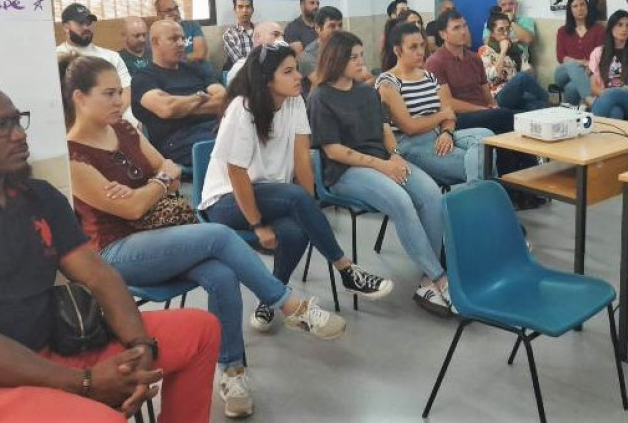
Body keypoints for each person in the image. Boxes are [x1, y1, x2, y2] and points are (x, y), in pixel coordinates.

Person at [60, 56, 346, 419]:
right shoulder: (72, 156)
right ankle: (288, 304)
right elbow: (131, 209)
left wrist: (156, 182)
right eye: (109, 94)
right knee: (219, 236)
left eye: (120, 92)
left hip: (161, 236)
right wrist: (158, 183)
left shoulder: (126, 131)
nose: (120, 101)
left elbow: (172, 168)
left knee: (222, 275)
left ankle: (233, 373)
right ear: (79, 98)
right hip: (117, 254)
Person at [0, 72, 220, 423]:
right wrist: (85, 383)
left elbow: (99, 275)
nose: (19, 133)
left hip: (59, 346)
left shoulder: (38, 196)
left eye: (16, 120)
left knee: (200, 330)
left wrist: (140, 347)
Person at [202, 42, 394, 330]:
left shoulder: (295, 102)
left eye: (297, 71)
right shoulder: (243, 109)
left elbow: (302, 160)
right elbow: (237, 173)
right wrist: (257, 225)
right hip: (226, 200)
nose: (298, 78)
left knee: (296, 230)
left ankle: (270, 297)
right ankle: (347, 270)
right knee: (294, 198)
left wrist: (307, 213)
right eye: (288, 72)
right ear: (267, 79)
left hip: (271, 195)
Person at [308, 32, 454, 316]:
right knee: (401, 202)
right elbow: (334, 151)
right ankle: (440, 277)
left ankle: (427, 278)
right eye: (354, 57)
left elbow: (386, 130)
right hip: (346, 171)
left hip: (383, 160)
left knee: (431, 195)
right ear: (336, 60)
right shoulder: (320, 97)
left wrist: (395, 156)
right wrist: (383, 165)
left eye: (362, 55)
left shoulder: (366, 91)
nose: (361, 62)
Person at [425, 11, 541, 208]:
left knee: (506, 127)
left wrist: (492, 106)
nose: (463, 31)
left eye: (465, 26)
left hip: (483, 112)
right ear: (443, 34)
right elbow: (447, 104)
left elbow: (485, 92)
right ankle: (521, 188)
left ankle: (520, 189)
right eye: (456, 28)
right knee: (513, 119)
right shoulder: (436, 62)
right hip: (457, 119)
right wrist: (485, 110)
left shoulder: (473, 58)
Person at [377, 22, 492, 186]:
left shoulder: (427, 76)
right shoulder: (388, 82)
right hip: (411, 145)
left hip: (439, 135)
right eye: (413, 47)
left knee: (486, 138)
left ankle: (477, 191)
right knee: (479, 164)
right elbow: (409, 127)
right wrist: (441, 116)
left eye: (422, 46)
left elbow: (449, 113)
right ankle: (481, 196)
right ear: (397, 50)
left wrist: (446, 132)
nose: (420, 52)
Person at [131, 20, 225, 166]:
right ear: (155, 42)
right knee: (231, 149)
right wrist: (200, 96)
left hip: (215, 128)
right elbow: (167, 109)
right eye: (174, 39)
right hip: (177, 142)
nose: (182, 43)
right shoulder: (144, 77)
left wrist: (182, 108)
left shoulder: (196, 69)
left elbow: (225, 99)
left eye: (182, 38)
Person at [56, 3, 136, 125]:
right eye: (80, 23)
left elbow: (127, 89)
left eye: (88, 23)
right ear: (66, 27)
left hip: (116, 115)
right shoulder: (55, 57)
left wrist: (114, 113)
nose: (86, 27)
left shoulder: (111, 56)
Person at [478, 11, 548, 112]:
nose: (505, 34)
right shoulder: (485, 51)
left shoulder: (515, 50)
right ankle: (550, 99)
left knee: (539, 105)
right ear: (492, 33)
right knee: (521, 76)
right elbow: (491, 78)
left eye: (507, 29)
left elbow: (529, 74)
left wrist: (529, 70)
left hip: (517, 92)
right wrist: (503, 51)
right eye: (501, 30)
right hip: (498, 96)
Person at [554, 0, 605, 105]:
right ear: (570, 10)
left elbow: (601, 56)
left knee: (571, 88)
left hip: (590, 72)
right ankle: (589, 99)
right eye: (575, 6)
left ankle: (575, 112)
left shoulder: (599, 30)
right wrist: (582, 63)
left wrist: (589, 67)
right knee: (571, 65)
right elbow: (561, 57)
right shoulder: (562, 31)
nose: (580, 9)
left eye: (582, 5)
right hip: (564, 73)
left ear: (587, 7)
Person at [154, 0, 216, 80]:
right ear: (159, 15)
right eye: (169, 10)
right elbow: (162, 60)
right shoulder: (157, 33)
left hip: (203, 74)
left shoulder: (192, 25)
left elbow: (200, 53)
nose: (175, 13)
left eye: (176, 8)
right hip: (178, 78)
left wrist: (175, 59)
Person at [482, 0, 536, 65]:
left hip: (519, 61)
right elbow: (487, 43)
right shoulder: (491, 21)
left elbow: (528, 39)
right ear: (499, 7)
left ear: (516, 5)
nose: (507, 8)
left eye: (511, 4)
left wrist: (511, 22)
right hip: (496, 60)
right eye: (503, 5)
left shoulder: (526, 20)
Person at [298, 6, 343, 93]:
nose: (338, 30)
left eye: (340, 25)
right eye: (332, 26)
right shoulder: (308, 55)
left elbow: (363, 75)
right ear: (317, 28)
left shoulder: (348, 47)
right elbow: (325, 84)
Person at [222, 0, 256, 65]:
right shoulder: (229, 34)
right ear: (234, 10)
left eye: (248, 7)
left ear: (252, 10)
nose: (244, 10)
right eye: (240, 7)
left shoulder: (261, 31)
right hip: (242, 73)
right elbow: (239, 62)